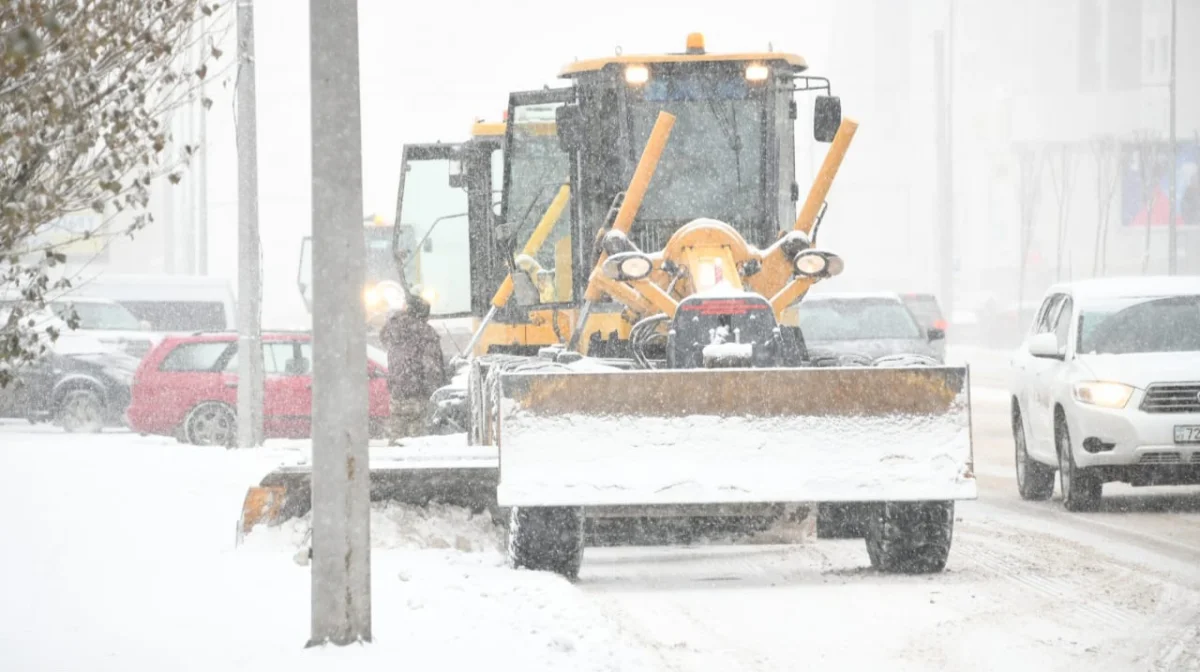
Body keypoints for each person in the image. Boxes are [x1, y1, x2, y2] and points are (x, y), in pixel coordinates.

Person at [378, 290, 446, 445]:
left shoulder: (394, 331)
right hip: (418, 395)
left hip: (396, 394)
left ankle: (394, 465)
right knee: (415, 443)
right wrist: (435, 391)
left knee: (396, 437)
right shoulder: (425, 334)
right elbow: (431, 368)